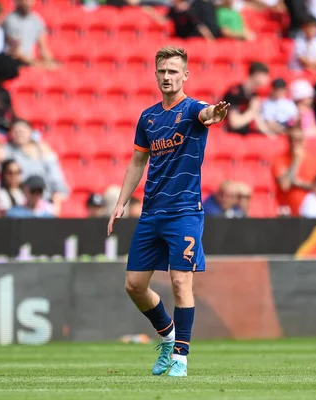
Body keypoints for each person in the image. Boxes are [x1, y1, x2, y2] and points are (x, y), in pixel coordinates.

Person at [106, 46, 229, 377]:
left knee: (179, 282)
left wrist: (213, 114)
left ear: (185, 75)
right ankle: (167, 334)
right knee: (133, 285)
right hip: (151, 212)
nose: (166, 76)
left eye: (173, 71)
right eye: (162, 71)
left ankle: (181, 357)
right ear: (155, 73)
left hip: (185, 212)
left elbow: (206, 114)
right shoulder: (148, 117)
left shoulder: (192, 110)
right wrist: (121, 202)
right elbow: (137, 161)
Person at [4, 119, 68, 214]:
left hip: (44, 198)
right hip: (19, 199)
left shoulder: (43, 150)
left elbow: (56, 178)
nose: (19, 134)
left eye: (22, 131)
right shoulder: (7, 151)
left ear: (30, 132)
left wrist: (57, 198)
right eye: (15, 131)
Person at [272, 126, 316, 216]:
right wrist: (296, 161)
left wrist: (297, 183)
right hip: (288, 212)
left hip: (312, 213)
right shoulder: (279, 160)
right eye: (292, 139)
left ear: (304, 140)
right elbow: (285, 185)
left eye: (299, 139)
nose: (295, 143)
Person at [3, 0, 57, 68]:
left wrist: (51, 62)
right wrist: (37, 64)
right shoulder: (10, 20)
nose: (28, 3)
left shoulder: (36, 19)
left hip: (30, 62)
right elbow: (15, 52)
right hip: (14, 64)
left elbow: (43, 48)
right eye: (25, 1)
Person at [222, 61, 269, 135]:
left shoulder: (254, 95)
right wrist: (252, 111)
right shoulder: (235, 92)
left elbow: (258, 122)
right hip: (230, 134)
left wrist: (271, 134)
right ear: (257, 74)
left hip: (245, 133)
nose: (267, 79)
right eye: (265, 75)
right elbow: (234, 123)